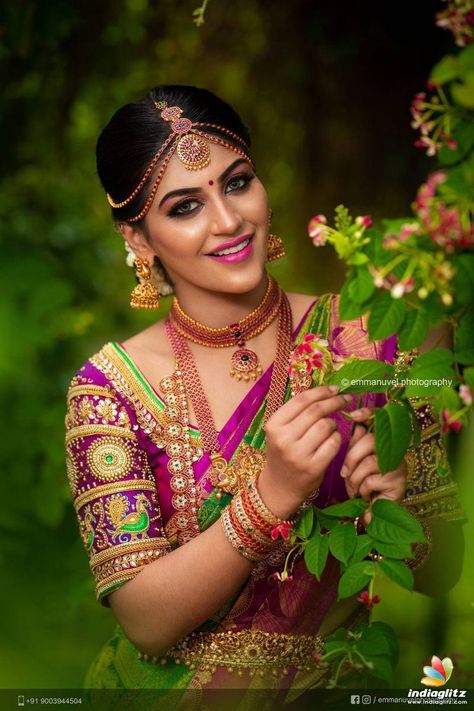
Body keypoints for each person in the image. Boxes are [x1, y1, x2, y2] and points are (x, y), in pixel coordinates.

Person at [64, 85, 464, 706]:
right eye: (183, 207)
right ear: (139, 239)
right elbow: (145, 622)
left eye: (237, 182)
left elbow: (443, 573)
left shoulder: (369, 341)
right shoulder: (109, 388)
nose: (228, 221)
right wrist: (270, 496)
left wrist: (400, 500)